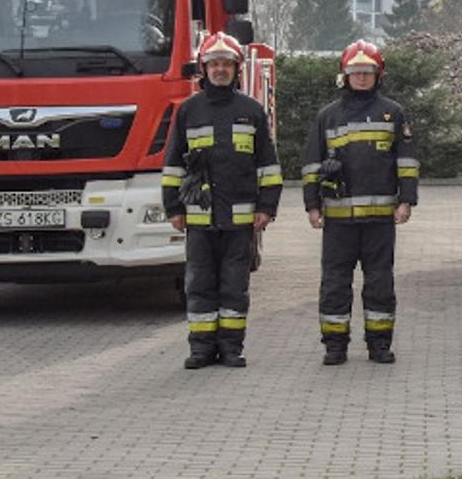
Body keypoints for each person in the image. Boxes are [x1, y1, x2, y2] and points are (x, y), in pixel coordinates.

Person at [163, 32, 283, 369]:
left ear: (236, 69)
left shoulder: (251, 111)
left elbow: (268, 166)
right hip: (199, 220)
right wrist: (173, 207)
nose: (220, 70)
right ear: (204, 68)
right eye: (214, 64)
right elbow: (173, 163)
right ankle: (201, 349)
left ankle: (231, 348)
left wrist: (266, 207)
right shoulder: (189, 111)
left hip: (240, 219)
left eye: (226, 64)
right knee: (199, 284)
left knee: (235, 287)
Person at [303, 40, 417, 365]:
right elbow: (312, 164)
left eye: (368, 72)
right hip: (338, 221)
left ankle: (379, 345)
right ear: (344, 76)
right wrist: (312, 206)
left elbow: (406, 161)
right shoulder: (327, 117)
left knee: (380, 282)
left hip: (380, 220)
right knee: (335, 283)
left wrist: (406, 201)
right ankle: (335, 346)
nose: (362, 78)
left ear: (378, 75)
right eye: (356, 72)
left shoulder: (393, 113)